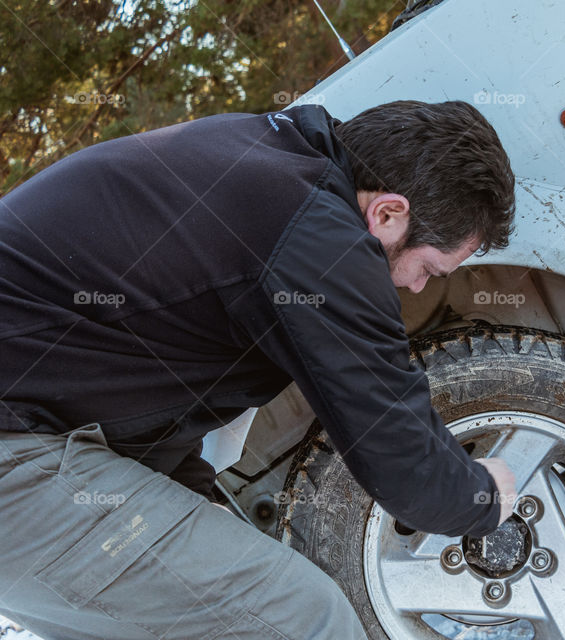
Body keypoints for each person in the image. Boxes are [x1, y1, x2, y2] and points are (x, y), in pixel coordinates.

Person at [0, 99, 518, 639]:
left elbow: (144, 392)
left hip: (32, 439)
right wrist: (483, 495)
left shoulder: (267, 157)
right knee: (307, 619)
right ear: (387, 213)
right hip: (15, 455)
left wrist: (199, 501)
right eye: (429, 268)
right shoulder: (316, 234)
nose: (417, 287)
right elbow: (400, 459)